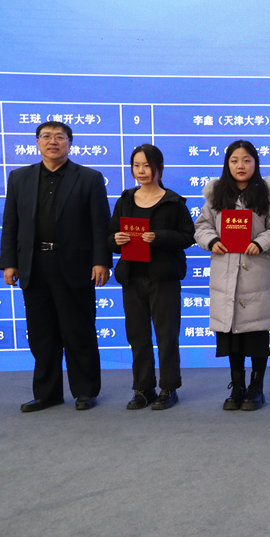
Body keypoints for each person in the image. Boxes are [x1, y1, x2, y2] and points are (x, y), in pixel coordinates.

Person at [0, 121, 111, 412]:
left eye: (59, 137)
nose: (53, 142)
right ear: (37, 142)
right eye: (46, 137)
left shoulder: (89, 178)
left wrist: (101, 261)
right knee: (41, 334)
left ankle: (85, 391)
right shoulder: (19, 178)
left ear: (70, 143)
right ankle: (47, 393)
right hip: (34, 265)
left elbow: (100, 224)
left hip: (75, 265)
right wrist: (9, 263)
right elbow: (11, 223)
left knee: (78, 330)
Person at [194, 140, 270, 411]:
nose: (241, 166)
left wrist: (260, 242)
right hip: (225, 274)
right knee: (231, 334)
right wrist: (212, 241)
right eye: (234, 160)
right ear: (227, 164)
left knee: (256, 333)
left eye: (247, 160)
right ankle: (237, 386)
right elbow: (201, 227)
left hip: (255, 274)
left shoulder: (267, 196)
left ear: (255, 163)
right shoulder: (216, 196)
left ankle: (256, 388)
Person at [108, 144, 195, 410]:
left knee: (167, 335)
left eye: (147, 165)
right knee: (137, 335)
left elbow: (188, 236)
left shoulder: (173, 201)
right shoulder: (125, 200)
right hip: (133, 277)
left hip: (164, 277)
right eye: (136, 166)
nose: (141, 171)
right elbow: (109, 237)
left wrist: (159, 237)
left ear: (159, 168)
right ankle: (143, 388)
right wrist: (115, 240)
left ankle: (169, 388)